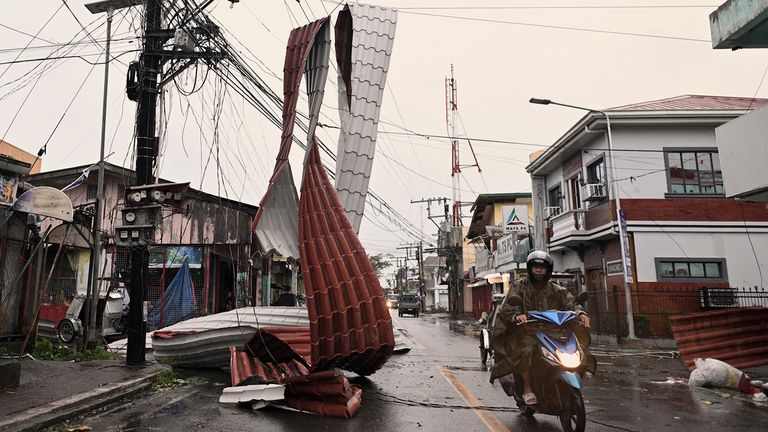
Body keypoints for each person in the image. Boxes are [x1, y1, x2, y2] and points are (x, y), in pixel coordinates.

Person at [489, 250, 590, 406]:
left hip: (555, 332)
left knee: (579, 352)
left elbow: (572, 304)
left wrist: (581, 313)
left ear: (548, 270)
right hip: (527, 332)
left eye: (542, 267)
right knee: (526, 350)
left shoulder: (558, 290)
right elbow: (508, 307)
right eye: (535, 266)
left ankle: (570, 386)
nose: (538, 270)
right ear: (530, 268)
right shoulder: (519, 286)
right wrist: (516, 316)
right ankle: (527, 388)